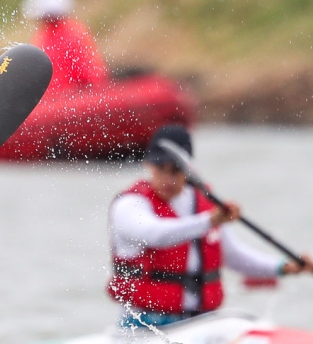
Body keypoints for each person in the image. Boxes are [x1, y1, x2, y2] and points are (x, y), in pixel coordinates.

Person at [107, 124, 313, 327]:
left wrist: (283, 267)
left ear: (188, 169)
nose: (168, 179)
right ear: (148, 166)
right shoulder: (130, 205)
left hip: (202, 321)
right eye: (161, 169)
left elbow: (234, 256)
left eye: (176, 171)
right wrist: (209, 221)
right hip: (144, 324)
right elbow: (155, 234)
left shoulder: (202, 204)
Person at [23, 0, 109, 93]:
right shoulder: (43, 36)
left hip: (71, 100)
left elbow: (92, 77)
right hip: (56, 100)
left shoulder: (71, 33)